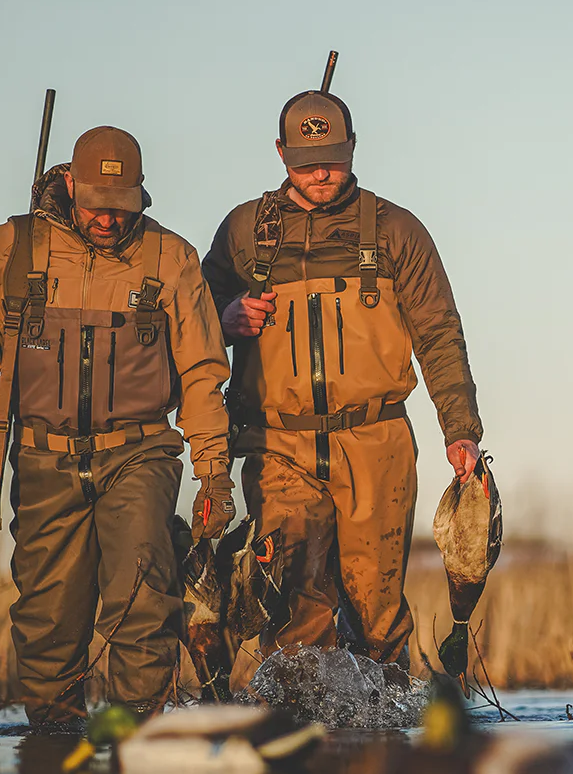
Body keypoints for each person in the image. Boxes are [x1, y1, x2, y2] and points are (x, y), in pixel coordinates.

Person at [0, 126, 235, 724]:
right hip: (40, 458)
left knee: (140, 604)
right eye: (96, 207)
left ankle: (140, 737)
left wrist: (213, 478)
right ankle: (55, 754)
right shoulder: (14, 247)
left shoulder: (170, 257)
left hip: (139, 455)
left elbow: (204, 374)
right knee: (47, 622)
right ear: (70, 184)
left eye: (122, 208)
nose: (108, 220)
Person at [201, 88, 482, 668]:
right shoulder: (243, 232)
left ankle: (382, 734)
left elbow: (439, 335)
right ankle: (308, 739)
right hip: (278, 445)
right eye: (305, 162)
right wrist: (226, 320)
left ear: (353, 146)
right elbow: (192, 328)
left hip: (376, 444)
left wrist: (461, 430)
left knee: (377, 621)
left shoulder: (397, 231)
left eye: (332, 156)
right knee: (296, 615)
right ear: (280, 153)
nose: (321, 172)